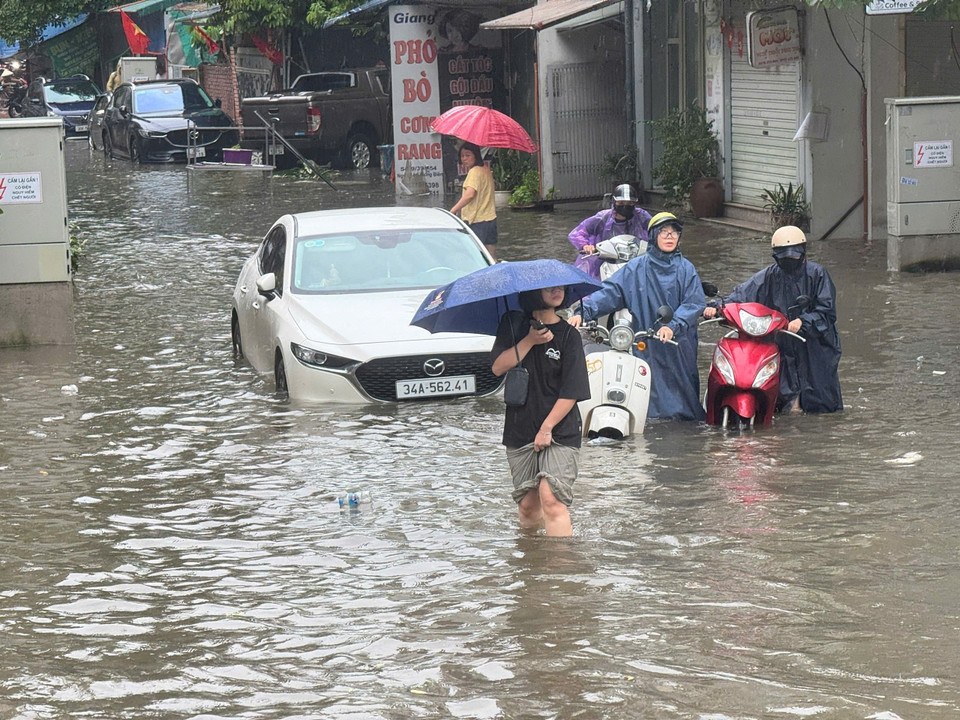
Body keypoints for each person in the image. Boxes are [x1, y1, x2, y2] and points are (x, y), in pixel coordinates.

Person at [569, 212, 706, 421]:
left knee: (684, 397)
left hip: (680, 344)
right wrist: (583, 312)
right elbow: (610, 292)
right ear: (653, 236)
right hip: (647, 343)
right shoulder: (636, 268)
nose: (670, 237)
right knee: (647, 391)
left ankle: (686, 432)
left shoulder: (686, 269)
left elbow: (694, 303)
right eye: (664, 232)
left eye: (674, 232)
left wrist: (674, 326)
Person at [703, 225, 842, 414]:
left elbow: (826, 312)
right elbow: (742, 294)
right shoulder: (769, 276)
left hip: (815, 346)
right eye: (784, 257)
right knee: (780, 402)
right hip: (783, 344)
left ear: (803, 253)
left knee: (821, 402)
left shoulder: (817, 274)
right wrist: (717, 307)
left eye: (794, 256)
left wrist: (804, 321)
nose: (789, 261)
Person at [491, 286, 591, 537]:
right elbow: (497, 368)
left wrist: (547, 429)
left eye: (561, 288)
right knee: (527, 505)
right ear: (534, 292)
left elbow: (572, 391)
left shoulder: (569, 336)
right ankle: (532, 564)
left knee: (552, 498)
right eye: (549, 288)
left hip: (560, 429)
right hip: (520, 425)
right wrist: (529, 341)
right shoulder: (512, 324)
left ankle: (559, 565)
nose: (557, 291)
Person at [568, 184, 653, 281]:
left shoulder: (641, 216)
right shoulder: (602, 217)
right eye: (621, 203)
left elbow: (656, 229)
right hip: (604, 262)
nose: (625, 206)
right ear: (614, 202)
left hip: (636, 261)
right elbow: (577, 233)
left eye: (629, 203)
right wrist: (585, 246)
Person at [450, 142, 499, 260]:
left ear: (476, 155)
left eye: (468, 155)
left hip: (477, 221)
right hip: (490, 219)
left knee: (474, 256)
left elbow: (469, 194)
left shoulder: (474, 172)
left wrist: (453, 210)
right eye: (462, 156)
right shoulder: (486, 170)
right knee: (490, 254)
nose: (464, 159)